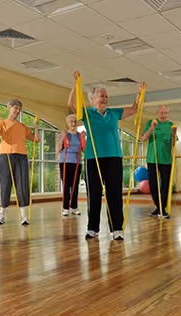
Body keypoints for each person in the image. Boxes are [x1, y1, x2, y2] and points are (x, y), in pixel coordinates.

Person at [67, 72, 142, 240]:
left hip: (114, 157)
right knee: (94, 193)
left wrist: (139, 94)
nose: (105, 99)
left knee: (114, 193)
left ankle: (117, 229)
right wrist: (76, 84)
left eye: (106, 96)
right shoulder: (87, 114)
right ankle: (92, 228)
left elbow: (134, 109)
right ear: (93, 99)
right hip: (93, 158)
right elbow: (71, 104)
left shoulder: (113, 113)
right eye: (101, 96)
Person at [0, 99, 40, 226]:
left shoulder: (22, 127)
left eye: (19, 109)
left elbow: (36, 140)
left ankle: (24, 216)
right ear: (9, 107)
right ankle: (1, 214)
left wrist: (35, 126)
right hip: (5, 155)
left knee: (23, 184)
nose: (17, 111)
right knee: (5, 184)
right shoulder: (2, 123)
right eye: (15, 108)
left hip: (21, 156)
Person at [141, 105, 176, 218]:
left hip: (166, 160)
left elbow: (173, 144)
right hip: (152, 159)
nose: (163, 115)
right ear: (157, 113)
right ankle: (159, 207)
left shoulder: (171, 125)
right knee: (153, 185)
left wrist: (174, 134)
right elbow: (144, 138)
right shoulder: (151, 123)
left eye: (166, 113)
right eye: (161, 113)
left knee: (165, 185)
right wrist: (152, 128)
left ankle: (163, 208)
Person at [56, 114, 84, 216]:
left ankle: (74, 207)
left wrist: (84, 138)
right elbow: (58, 150)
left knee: (75, 186)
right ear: (67, 123)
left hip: (77, 163)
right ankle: (65, 208)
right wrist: (62, 138)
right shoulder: (64, 134)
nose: (73, 123)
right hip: (65, 162)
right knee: (66, 185)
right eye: (71, 121)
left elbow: (84, 149)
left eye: (75, 121)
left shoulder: (79, 135)